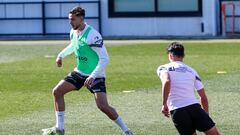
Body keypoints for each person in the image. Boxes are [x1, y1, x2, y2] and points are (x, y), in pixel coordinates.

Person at [42, 6, 133, 135]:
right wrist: (60, 55)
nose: (70, 22)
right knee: (57, 91)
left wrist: (92, 76)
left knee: (103, 106)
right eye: (69, 19)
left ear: (81, 18)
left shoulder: (93, 35)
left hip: (95, 75)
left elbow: (104, 59)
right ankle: (60, 129)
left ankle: (127, 131)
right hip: (79, 72)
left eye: (73, 19)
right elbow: (73, 45)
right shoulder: (73, 32)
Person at [156, 42, 220, 135]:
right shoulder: (192, 71)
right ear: (183, 56)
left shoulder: (163, 68)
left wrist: (164, 104)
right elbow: (203, 98)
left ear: (170, 55)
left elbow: (167, 81)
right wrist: (206, 116)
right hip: (194, 107)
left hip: (177, 110)